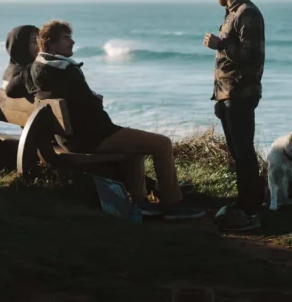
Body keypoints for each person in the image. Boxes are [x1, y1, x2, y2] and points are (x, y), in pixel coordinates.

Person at [30, 19, 204, 220]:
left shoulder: (37, 68)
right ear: (50, 43)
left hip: (69, 138)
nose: (72, 42)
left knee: (136, 148)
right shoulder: (65, 69)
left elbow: (74, 100)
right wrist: (96, 99)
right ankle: (173, 205)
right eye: (66, 38)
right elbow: (90, 106)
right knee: (162, 144)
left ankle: (141, 202)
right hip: (92, 137)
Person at [204, 0, 265, 232]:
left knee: (244, 153)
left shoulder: (247, 13)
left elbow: (251, 57)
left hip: (240, 94)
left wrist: (222, 44)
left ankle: (250, 210)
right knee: (238, 154)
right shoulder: (232, 12)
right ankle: (244, 204)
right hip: (227, 94)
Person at [2, 24, 39, 101]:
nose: (39, 45)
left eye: (39, 40)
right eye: (34, 41)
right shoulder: (29, 75)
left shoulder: (9, 72)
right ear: (21, 45)